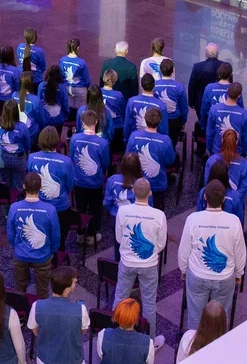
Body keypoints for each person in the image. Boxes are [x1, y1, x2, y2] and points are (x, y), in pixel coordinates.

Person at [179, 178, 246, 331]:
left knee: (195, 317)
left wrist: (183, 269)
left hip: (197, 275)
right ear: (223, 199)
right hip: (224, 278)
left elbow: (184, 250)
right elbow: (240, 252)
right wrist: (239, 273)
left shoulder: (192, 219)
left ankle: (193, 343)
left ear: (204, 197)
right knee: (221, 318)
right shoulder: (234, 221)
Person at [114, 178, 166, 351]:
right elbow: (161, 244)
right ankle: (150, 343)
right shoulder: (159, 215)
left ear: (133, 192)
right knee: (149, 304)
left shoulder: (122, 211)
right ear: (150, 193)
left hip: (127, 262)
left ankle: (115, 334)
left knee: (120, 297)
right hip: (149, 265)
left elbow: (119, 238)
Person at [9, 171, 60, 299]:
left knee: (19, 287)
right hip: (43, 255)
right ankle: (40, 310)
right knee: (42, 290)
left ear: (24, 186)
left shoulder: (14, 208)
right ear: (41, 187)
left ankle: (20, 310)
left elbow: (10, 233)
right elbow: (55, 235)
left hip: (20, 254)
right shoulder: (50, 210)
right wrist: (51, 251)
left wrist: (17, 247)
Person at [28, 265, 89, 364]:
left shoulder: (36, 306)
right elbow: (82, 331)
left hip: (45, 359)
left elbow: (35, 331)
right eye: (74, 282)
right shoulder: (81, 309)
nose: (76, 281)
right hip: (73, 359)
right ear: (67, 289)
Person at [29, 126, 74, 249]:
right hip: (60, 206)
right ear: (57, 140)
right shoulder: (66, 161)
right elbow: (70, 185)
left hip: (39, 204)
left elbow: (31, 180)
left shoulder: (31, 158)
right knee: (60, 239)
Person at [70, 110, 110, 242]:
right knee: (95, 208)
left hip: (79, 181)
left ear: (82, 123)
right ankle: (92, 234)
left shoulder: (74, 139)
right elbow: (105, 163)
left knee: (80, 207)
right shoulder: (103, 143)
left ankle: (80, 234)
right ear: (96, 122)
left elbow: (72, 158)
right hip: (95, 182)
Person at [126, 108, 177, 210]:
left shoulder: (134, 136)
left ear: (145, 119)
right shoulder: (165, 141)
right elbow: (171, 161)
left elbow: (128, 157)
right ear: (160, 121)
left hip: (137, 182)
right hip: (157, 184)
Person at [0, 98, 31, 191]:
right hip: (18, 159)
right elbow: (27, 145)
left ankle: (6, 201)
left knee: (4, 187)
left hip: (2, 158)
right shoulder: (23, 127)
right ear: (16, 111)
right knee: (19, 187)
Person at [187, 43, 224, 121]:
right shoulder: (224, 66)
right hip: (220, 103)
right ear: (217, 54)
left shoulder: (197, 67)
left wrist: (191, 103)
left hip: (200, 103)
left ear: (206, 54)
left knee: (203, 124)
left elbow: (192, 86)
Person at [153, 59, 188, 139]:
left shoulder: (154, 85)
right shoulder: (180, 87)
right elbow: (184, 108)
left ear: (160, 70)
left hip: (158, 121)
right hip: (175, 121)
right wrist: (183, 122)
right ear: (172, 71)